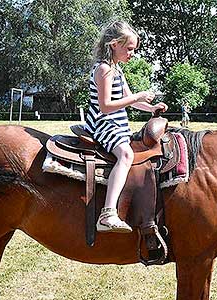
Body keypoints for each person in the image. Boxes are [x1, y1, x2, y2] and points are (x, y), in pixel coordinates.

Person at [84, 21, 168, 233]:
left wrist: (150, 108)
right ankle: (108, 212)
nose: (132, 54)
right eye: (129, 49)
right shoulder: (104, 69)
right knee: (126, 155)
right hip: (103, 124)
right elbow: (105, 106)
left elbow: (128, 98)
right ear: (114, 44)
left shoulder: (116, 69)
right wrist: (137, 97)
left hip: (116, 124)